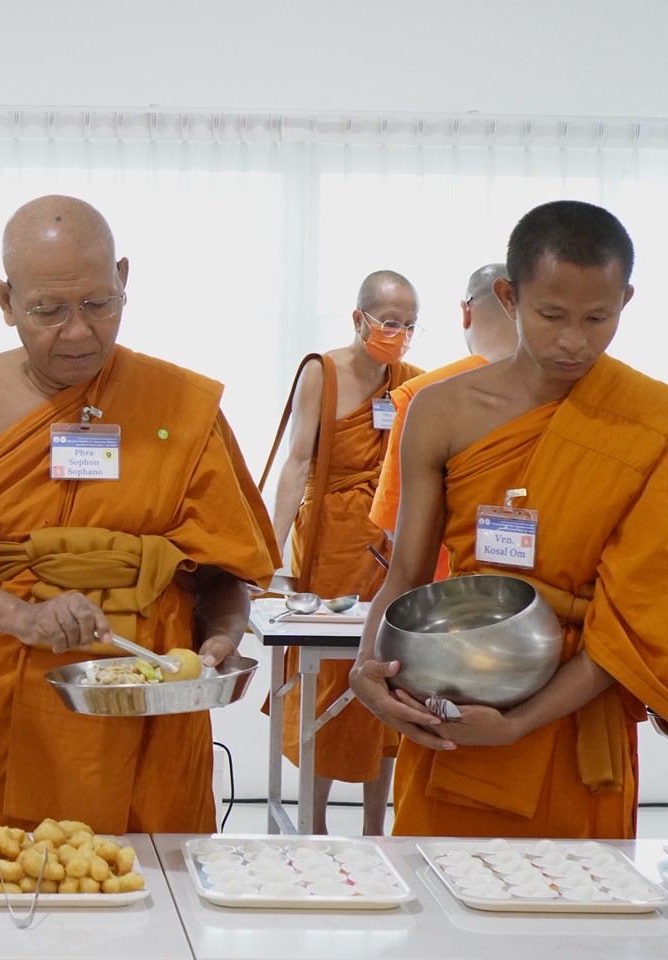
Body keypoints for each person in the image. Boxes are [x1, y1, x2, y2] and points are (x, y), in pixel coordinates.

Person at [0, 195, 279, 835]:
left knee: (160, 876)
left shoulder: (178, 404)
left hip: (155, 694)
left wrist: (223, 633)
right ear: (6, 301)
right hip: (13, 685)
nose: (77, 331)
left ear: (123, 279)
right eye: (48, 310)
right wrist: (24, 617)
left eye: (98, 304)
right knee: (20, 869)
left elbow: (220, 569)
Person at [351, 200, 668, 839]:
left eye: (597, 318)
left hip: (575, 713)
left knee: (571, 898)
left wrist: (519, 722)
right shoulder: (440, 411)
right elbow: (405, 574)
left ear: (625, 301)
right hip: (455, 695)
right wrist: (364, 667)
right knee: (440, 893)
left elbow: (634, 620)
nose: (574, 340)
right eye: (551, 315)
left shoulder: (655, 427)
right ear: (509, 297)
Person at [262, 270, 423, 835]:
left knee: (391, 673)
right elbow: (295, 464)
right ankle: (315, 823)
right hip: (331, 541)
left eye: (410, 325)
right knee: (330, 679)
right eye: (390, 323)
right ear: (359, 319)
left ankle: (377, 827)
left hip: (390, 542)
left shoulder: (413, 383)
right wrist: (268, 554)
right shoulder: (322, 373)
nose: (400, 336)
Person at [369, 263, 520, 554]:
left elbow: (396, 525)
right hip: (538, 574)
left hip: (445, 576)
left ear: (466, 313)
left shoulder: (424, 395)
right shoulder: (557, 389)